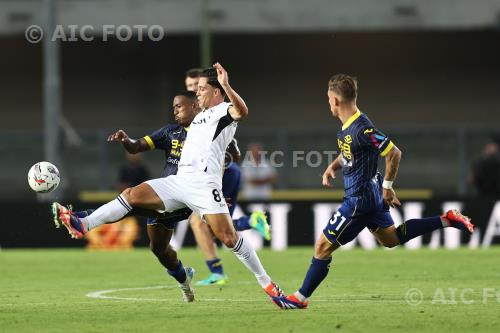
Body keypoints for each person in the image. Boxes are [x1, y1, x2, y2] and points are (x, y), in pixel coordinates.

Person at [52, 63, 284, 302]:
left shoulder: (223, 110)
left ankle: (268, 285)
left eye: (202, 89)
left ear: (216, 92)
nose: (198, 92)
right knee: (132, 195)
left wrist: (225, 84)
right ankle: (84, 223)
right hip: (179, 181)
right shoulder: (196, 119)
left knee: (228, 237)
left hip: (204, 186)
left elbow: (242, 111)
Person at [270, 74, 474, 310]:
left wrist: (388, 187)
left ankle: (299, 299)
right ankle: (447, 220)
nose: (327, 103)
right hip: (371, 194)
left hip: (359, 200)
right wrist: (332, 167)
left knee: (322, 247)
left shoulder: (362, 129)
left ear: (335, 100)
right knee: (391, 238)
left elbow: (394, 153)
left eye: (328, 98)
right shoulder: (351, 127)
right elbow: (350, 152)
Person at [183, 68, 271, 286]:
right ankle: (249, 222)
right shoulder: (199, 117)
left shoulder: (218, 112)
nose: (193, 91)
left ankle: (218, 272)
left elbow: (235, 150)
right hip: (212, 174)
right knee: (210, 226)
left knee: (203, 224)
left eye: (197, 86)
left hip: (223, 173)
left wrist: (219, 167)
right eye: (191, 88)